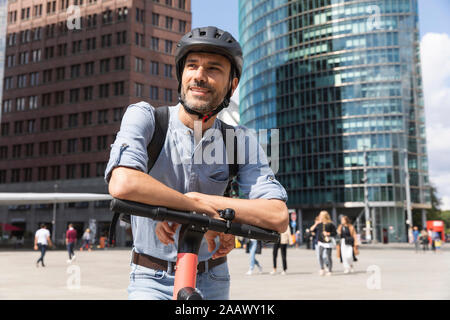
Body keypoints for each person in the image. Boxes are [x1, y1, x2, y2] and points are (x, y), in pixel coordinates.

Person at [105, 26, 288, 300]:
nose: (199, 76)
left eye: (213, 69)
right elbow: (123, 182)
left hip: (212, 277)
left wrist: (203, 202)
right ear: (181, 75)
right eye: (192, 66)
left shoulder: (241, 141)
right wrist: (198, 207)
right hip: (150, 277)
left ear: (232, 85)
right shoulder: (146, 118)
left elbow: (277, 216)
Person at [310, 211, 337, 276]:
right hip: (321, 242)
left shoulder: (330, 224)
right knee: (320, 255)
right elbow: (311, 230)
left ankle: (330, 270)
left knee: (328, 256)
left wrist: (328, 233)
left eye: (321, 215)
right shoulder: (319, 224)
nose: (319, 216)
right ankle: (322, 268)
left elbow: (335, 233)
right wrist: (316, 224)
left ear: (324, 216)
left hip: (328, 242)